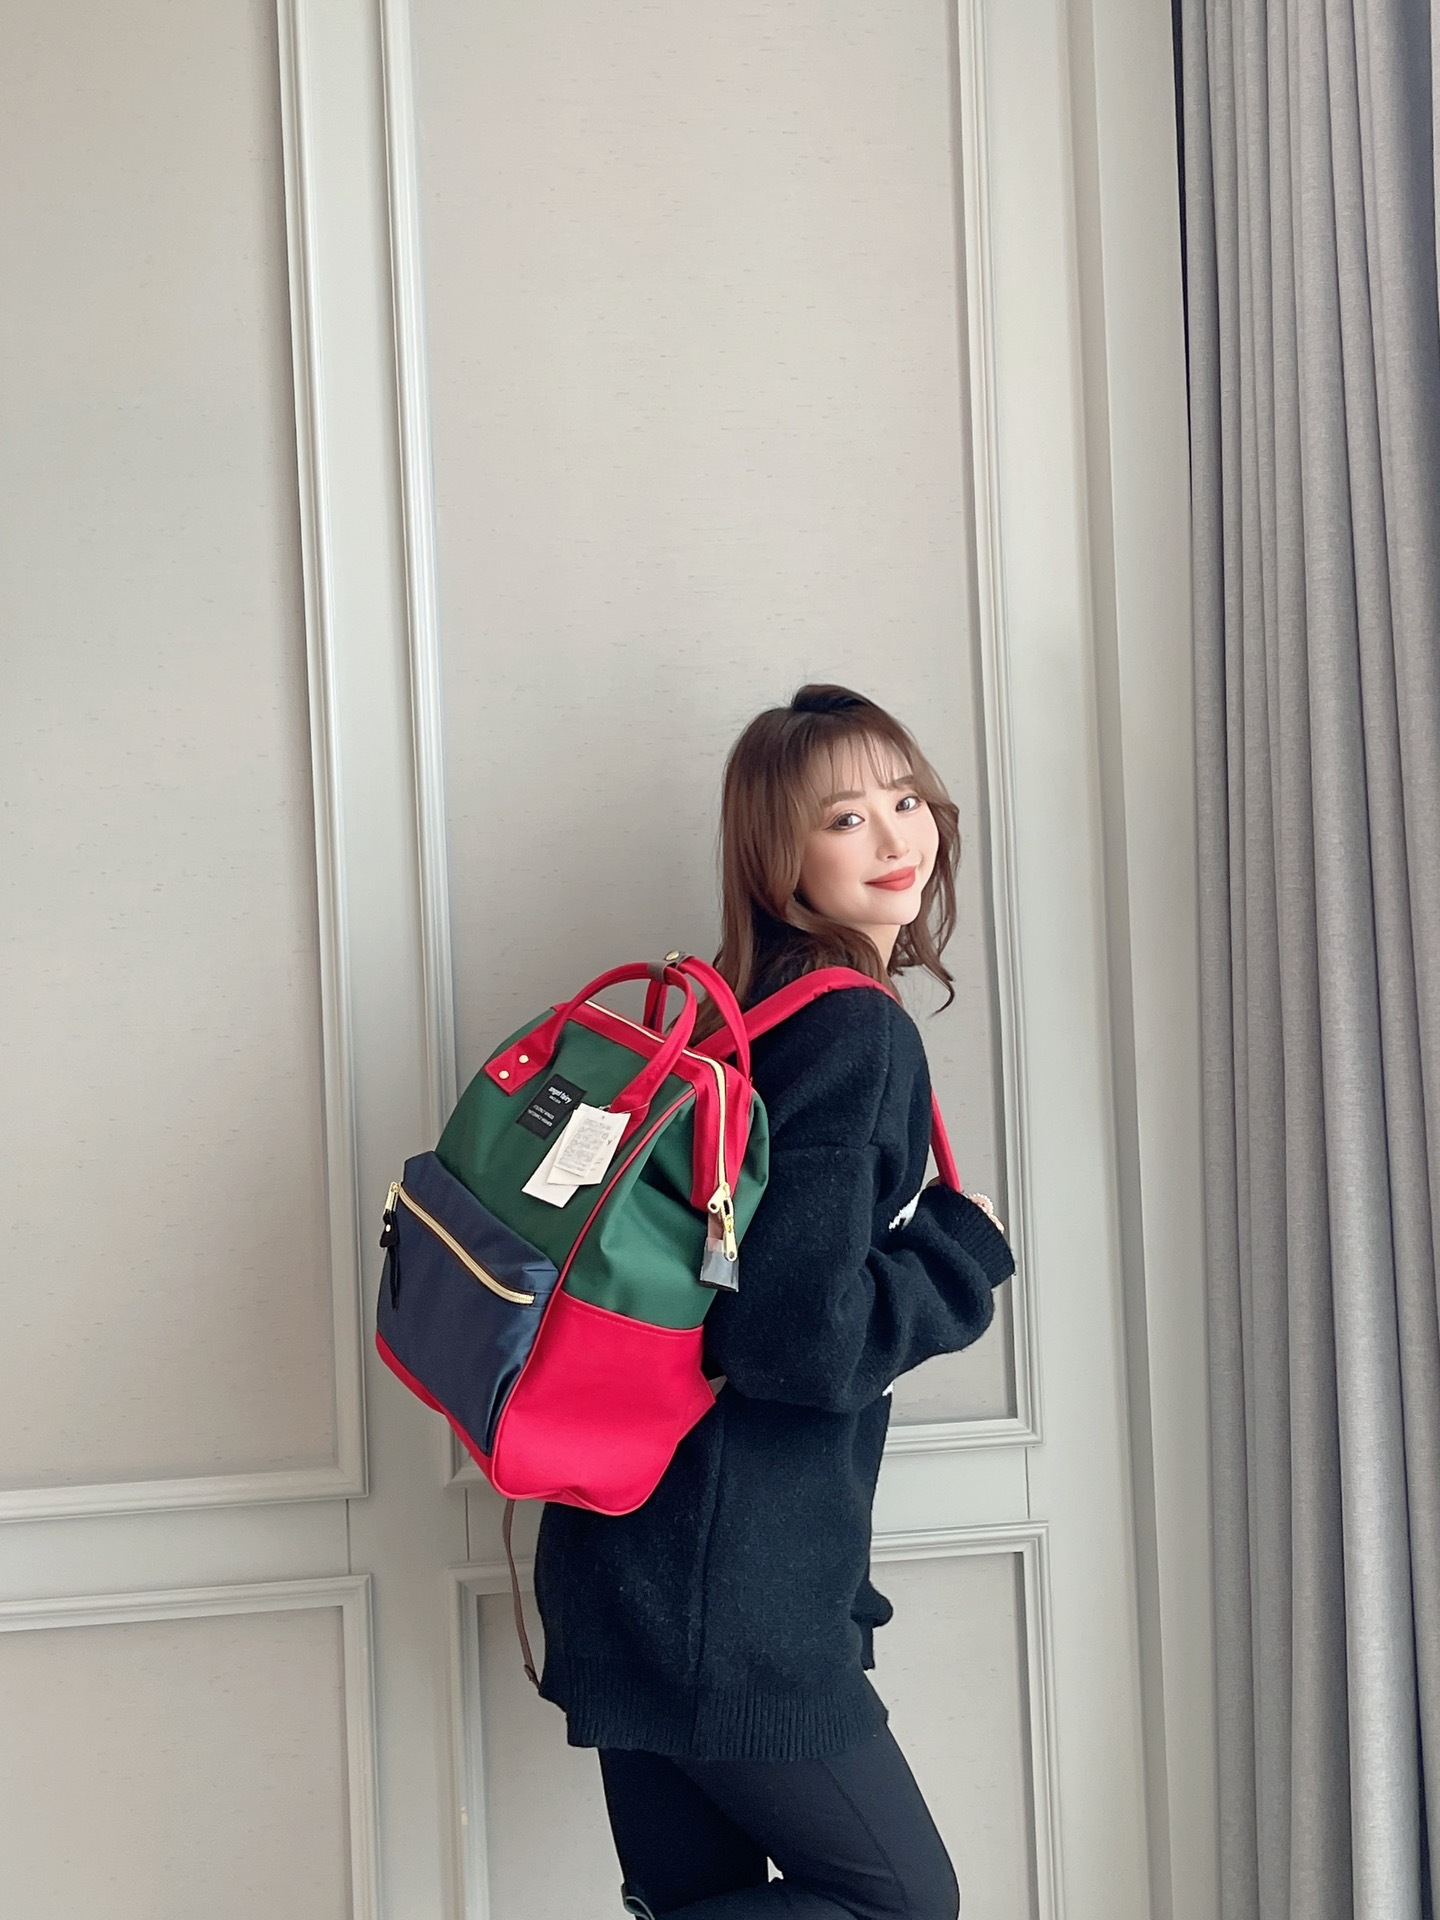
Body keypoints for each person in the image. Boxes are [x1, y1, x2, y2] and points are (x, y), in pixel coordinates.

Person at [532, 683, 1016, 1920]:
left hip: (620, 1552)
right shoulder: (852, 1033)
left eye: (906, 799)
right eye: (844, 817)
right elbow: (797, 1342)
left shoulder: (734, 1023)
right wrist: (959, 1258)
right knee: (904, 1904)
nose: (896, 837)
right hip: (727, 1595)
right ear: (776, 856)